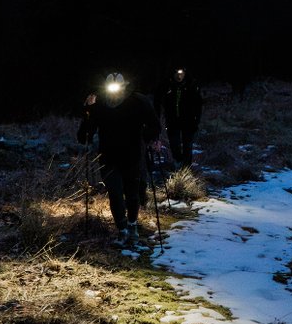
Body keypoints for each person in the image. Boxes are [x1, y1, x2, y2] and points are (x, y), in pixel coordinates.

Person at [78, 72, 160, 240]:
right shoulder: (99, 103)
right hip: (108, 156)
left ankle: (132, 225)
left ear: (124, 86)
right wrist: (88, 110)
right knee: (115, 193)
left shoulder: (138, 101)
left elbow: (154, 124)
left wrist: (150, 137)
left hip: (132, 155)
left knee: (132, 193)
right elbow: (85, 133)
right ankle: (122, 230)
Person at [153, 67, 203, 168]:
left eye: (181, 73)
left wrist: (196, 120)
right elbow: (157, 100)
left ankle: (186, 168)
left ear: (185, 74)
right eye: (176, 73)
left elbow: (198, 105)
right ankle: (179, 161)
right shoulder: (167, 85)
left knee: (187, 145)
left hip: (188, 120)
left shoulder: (191, 85)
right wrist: (158, 116)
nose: (179, 76)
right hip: (172, 120)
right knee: (174, 145)